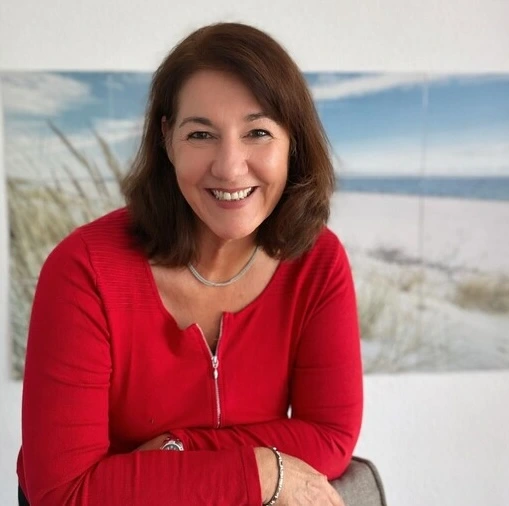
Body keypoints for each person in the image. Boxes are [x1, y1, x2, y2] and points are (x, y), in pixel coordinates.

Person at [17, 22, 363, 506]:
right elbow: (64, 492)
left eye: (258, 132)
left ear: (293, 142)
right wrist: (263, 470)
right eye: (201, 134)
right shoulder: (84, 270)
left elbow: (330, 436)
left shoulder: (318, 261)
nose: (229, 167)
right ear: (167, 139)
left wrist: (177, 450)